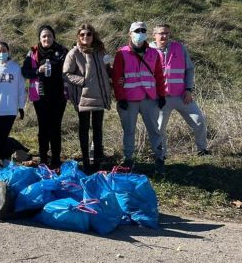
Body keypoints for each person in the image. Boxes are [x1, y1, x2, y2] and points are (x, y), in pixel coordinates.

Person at [112, 21, 166, 173]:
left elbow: (159, 76)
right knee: (129, 131)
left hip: (149, 98)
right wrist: (120, 98)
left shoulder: (154, 53)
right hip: (129, 99)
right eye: (137, 30)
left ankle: (160, 158)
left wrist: (162, 95)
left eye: (143, 30)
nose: (140, 33)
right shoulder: (121, 53)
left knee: (154, 130)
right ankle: (128, 159)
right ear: (130, 33)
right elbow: (117, 77)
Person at [151, 24, 209, 157]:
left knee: (199, 120)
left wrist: (188, 89)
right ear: (154, 35)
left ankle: (202, 149)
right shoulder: (148, 50)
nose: (164, 36)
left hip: (182, 96)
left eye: (167, 33)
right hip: (160, 98)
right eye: (161, 33)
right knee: (159, 128)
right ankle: (161, 154)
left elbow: (189, 69)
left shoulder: (179, 48)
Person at [63, 24, 113, 172]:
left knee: (98, 129)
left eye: (88, 34)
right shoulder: (73, 53)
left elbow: (105, 70)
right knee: (84, 128)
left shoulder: (100, 51)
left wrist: (110, 70)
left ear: (93, 35)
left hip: (99, 96)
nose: (85, 37)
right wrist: (83, 81)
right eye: (82, 34)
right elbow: (65, 74)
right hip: (83, 98)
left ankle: (97, 161)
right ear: (78, 36)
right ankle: (85, 161)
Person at [21, 25, 68, 168]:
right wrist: (37, 71)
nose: (47, 39)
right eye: (44, 36)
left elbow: (70, 69)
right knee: (43, 128)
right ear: (39, 38)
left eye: (49, 36)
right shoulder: (33, 52)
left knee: (55, 127)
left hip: (59, 96)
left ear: (54, 37)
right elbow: (25, 71)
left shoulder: (62, 51)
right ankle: (43, 158)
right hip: (40, 96)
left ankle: (55, 159)